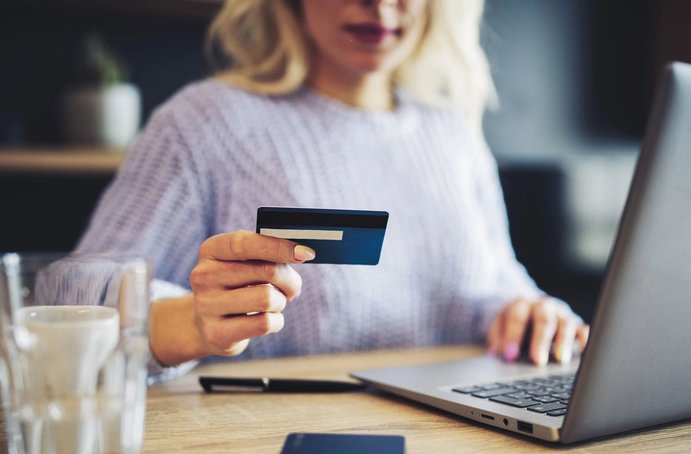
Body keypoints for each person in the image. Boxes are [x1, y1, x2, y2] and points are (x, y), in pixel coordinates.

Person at [75, 0, 590, 381]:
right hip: (275, 446)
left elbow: (499, 281)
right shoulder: (206, 123)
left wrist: (529, 311)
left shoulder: (451, 133)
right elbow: (72, 294)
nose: (382, 5)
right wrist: (191, 322)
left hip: (457, 449)